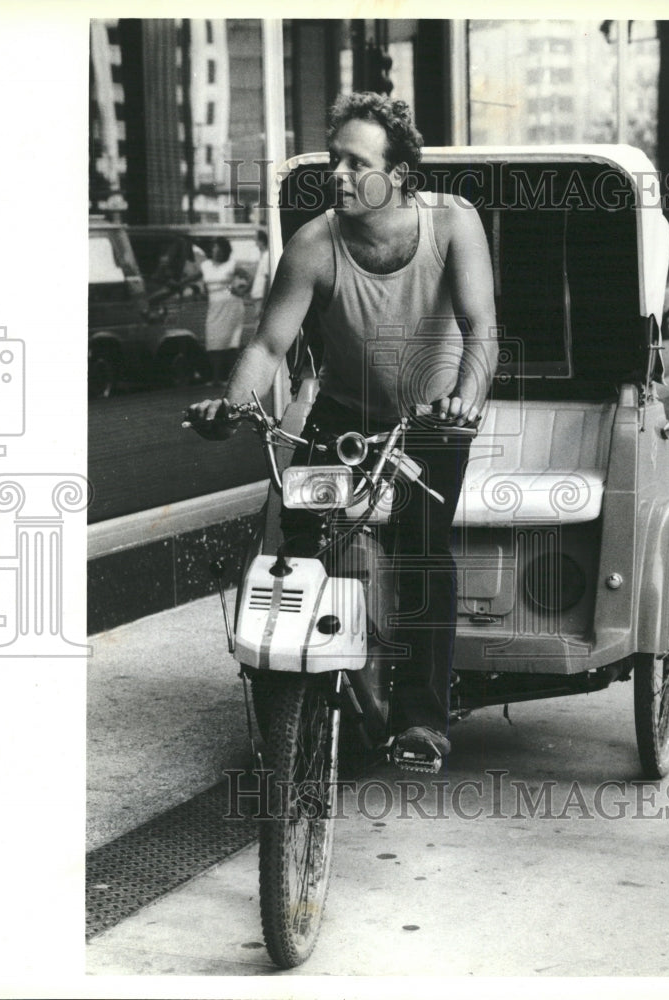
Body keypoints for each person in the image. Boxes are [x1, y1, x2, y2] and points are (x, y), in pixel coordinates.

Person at [185, 92, 497, 767]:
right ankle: (287, 697)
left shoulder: (451, 224)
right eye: (334, 161)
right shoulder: (314, 244)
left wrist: (466, 401)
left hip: (433, 419)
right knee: (297, 541)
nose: (339, 175)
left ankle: (420, 722)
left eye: (357, 163)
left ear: (401, 174)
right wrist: (230, 406)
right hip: (345, 416)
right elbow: (268, 348)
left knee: (419, 545)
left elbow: (482, 330)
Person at [201, 236, 245, 383]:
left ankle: (232, 378)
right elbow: (196, 280)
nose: (217, 252)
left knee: (231, 343)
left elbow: (249, 276)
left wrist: (239, 291)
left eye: (220, 250)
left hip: (231, 306)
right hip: (214, 306)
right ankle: (216, 378)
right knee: (213, 341)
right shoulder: (205, 265)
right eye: (214, 249)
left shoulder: (231, 264)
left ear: (225, 251)